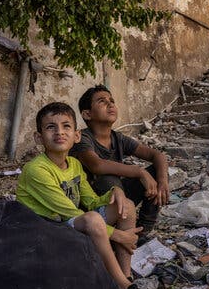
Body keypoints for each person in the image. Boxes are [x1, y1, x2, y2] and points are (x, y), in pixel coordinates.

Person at [16, 102, 158, 289]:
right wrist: (119, 235)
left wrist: (114, 193)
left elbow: (91, 200)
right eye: (51, 127)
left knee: (125, 205)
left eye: (66, 126)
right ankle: (124, 288)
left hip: (66, 225)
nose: (59, 132)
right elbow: (70, 213)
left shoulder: (73, 164)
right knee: (91, 219)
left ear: (76, 136)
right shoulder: (36, 169)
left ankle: (126, 279)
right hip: (43, 233)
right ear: (38, 138)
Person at [70, 85, 169, 243]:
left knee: (156, 172)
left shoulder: (118, 138)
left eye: (112, 101)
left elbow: (157, 155)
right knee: (109, 177)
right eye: (102, 101)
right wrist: (139, 172)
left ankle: (142, 231)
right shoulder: (81, 138)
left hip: (119, 201)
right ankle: (114, 236)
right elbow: (97, 165)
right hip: (92, 207)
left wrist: (162, 181)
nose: (110, 104)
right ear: (87, 114)